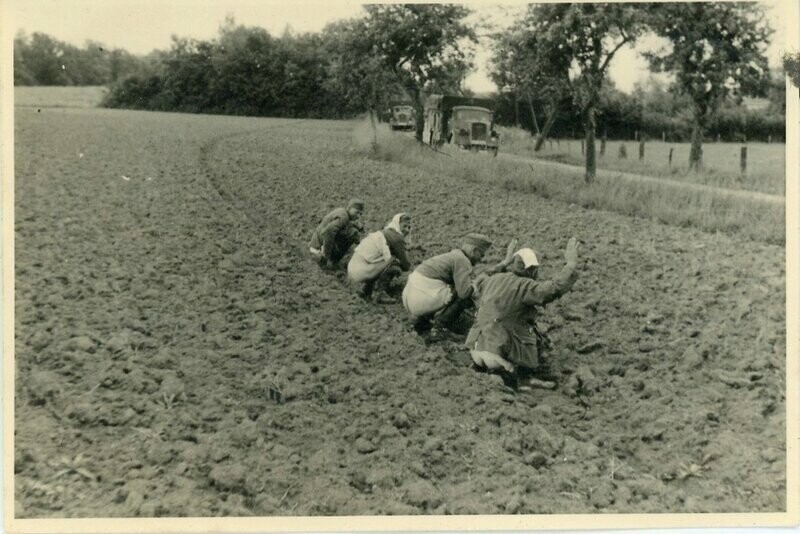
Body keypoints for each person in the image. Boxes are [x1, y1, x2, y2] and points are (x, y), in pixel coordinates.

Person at [467, 237, 580, 389]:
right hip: (497, 354)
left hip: (475, 349)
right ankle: (524, 378)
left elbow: (480, 278)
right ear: (531, 269)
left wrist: (505, 261)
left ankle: (489, 371)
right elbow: (553, 288)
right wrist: (571, 264)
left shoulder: (491, 280)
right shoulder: (524, 286)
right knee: (534, 333)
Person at [402, 234, 518, 335]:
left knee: (459, 287)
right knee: (465, 295)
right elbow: (464, 293)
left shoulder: (455, 256)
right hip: (421, 297)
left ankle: (423, 321)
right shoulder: (462, 260)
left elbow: (479, 275)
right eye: (481, 255)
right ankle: (440, 328)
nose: (481, 260)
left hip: (412, 294)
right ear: (474, 250)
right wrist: (476, 286)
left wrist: (504, 263)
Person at [347, 213, 413, 304]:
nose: (407, 230)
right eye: (405, 226)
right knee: (394, 265)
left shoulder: (386, 232)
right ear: (397, 224)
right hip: (361, 272)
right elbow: (406, 265)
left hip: (353, 269)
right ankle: (379, 294)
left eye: (409, 227)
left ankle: (366, 290)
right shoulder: (397, 237)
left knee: (385, 260)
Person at [309, 199, 365, 269]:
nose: (358, 216)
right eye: (356, 212)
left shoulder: (343, 212)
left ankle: (328, 256)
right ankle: (331, 260)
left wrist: (358, 226)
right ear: (349, 208)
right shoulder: (343, 217)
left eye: (360, 214)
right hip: (318, 244)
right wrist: (326, 256)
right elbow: (328, 233)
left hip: (318, 239)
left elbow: (349, 223)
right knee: (352, 233)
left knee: (351, 230)